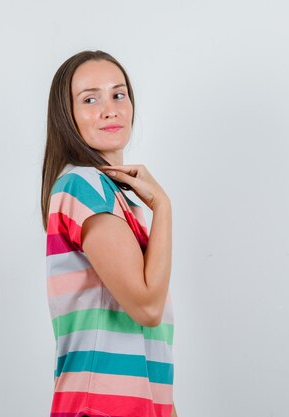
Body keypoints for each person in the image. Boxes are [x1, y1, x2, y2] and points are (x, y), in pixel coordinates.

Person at [40, 50, 177, 417]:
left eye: (118, 94)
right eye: (90, 99)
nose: (109, 109)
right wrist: (163, 207)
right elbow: (147, 307)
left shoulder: (116, 198)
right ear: (66, 116)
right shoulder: (83, 186)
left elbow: (150, 341)